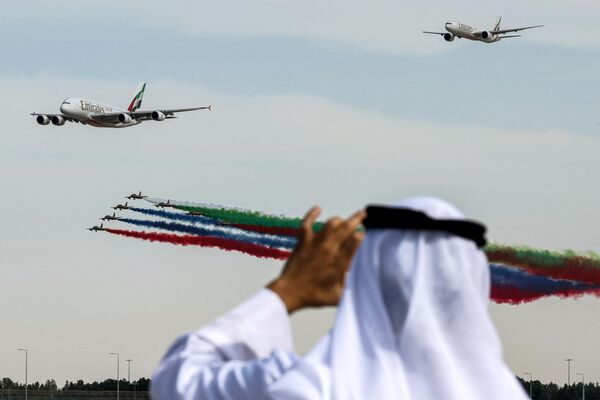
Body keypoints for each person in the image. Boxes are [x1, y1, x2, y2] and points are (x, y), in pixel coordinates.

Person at [151, 197, 528, 400]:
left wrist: (287, 292)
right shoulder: (505, 392)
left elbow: (177, 382)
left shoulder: (309, 385)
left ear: (365, 269)